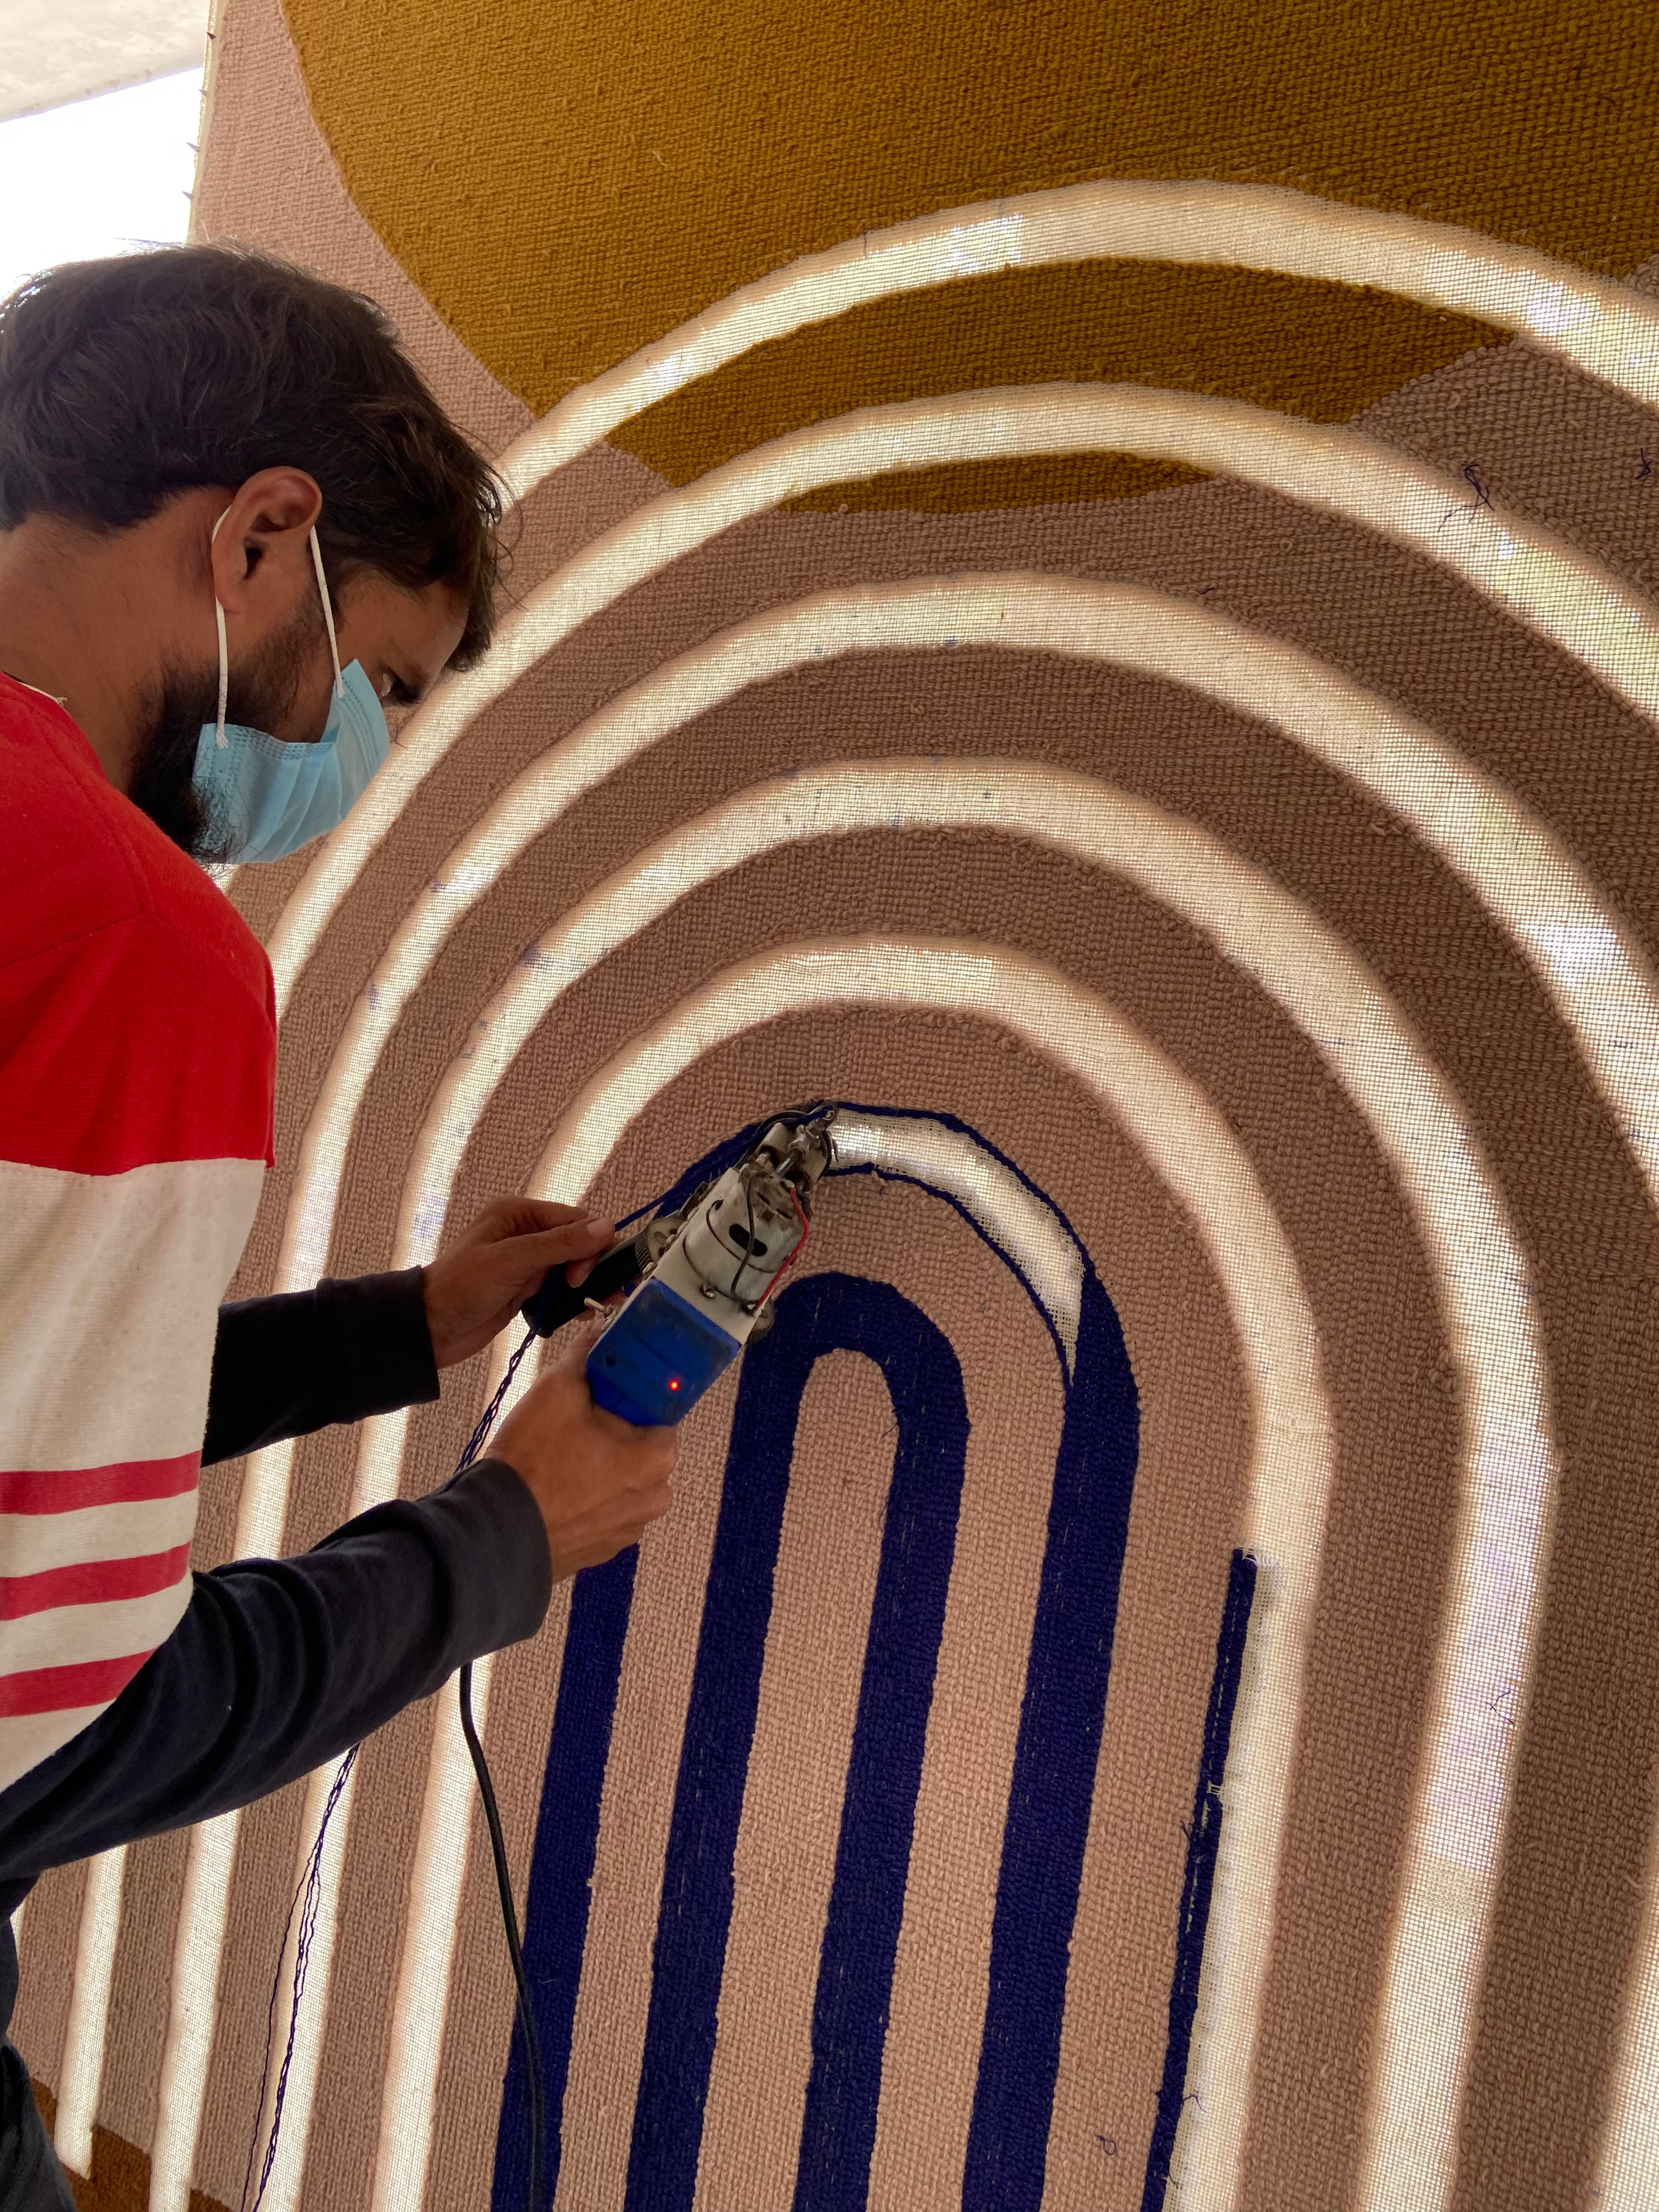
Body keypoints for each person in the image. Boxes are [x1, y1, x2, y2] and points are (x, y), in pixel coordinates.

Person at [0, 246, 678, 2207]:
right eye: (379, 683)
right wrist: (499, 1542)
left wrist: (403, 1327)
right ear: (262, 536)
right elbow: (56, 1721)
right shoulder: (129, 940)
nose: (358, 755)